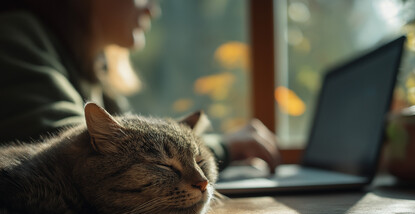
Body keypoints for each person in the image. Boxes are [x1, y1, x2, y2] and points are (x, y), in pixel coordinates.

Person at [0, 0, 281, 172]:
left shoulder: (97, 75)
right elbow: (68, 155)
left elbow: (138, 151)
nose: (152, 8)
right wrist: (225, 148)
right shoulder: (14, 33)